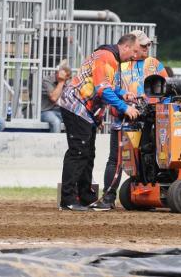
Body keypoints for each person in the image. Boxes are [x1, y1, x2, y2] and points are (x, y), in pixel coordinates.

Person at [57, 34, 140, 211]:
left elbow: (104, 84)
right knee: (78, 151)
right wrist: (125, 107)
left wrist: (121, 93)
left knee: (87, 152)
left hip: (84, 111)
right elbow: (102, 89)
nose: (134, 56)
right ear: (125, 47)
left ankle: (86, 196)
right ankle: (68, 199)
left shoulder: (107, 56)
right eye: (133, 51)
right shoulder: (107, 57)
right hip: (76, 107)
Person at [92, 30, 168, 211]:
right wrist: (106, 111)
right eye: (142, 45)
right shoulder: (119, 63)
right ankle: (109, 197)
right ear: (132, 46)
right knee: (116, 159)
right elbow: (107, 89)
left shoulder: (155, 64)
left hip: (150, 120)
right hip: (123, 118)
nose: (146, 48)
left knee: (149, 158)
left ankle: (147, 196)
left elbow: (167, 89)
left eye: (148, 45)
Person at [40, 60, 72, 133]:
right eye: (65, 76)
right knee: (56, 122)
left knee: (76, 121)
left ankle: (73, 144)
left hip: (62, 111)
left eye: (68, 77)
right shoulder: (47, 80)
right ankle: (55, 144)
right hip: (46, 111)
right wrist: (61, 82)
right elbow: (53, 98)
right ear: (57, 73)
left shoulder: (68, 81)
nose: (66, 79)